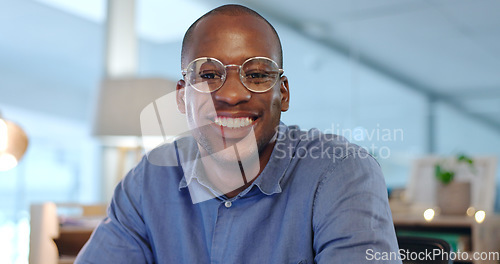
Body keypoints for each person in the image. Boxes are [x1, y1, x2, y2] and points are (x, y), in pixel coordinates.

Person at [76, 4, 401, 263]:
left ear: (283, 93)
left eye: (257, 74)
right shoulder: (148, 181)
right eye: (208, 74)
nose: (232, 95)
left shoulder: (340, 171)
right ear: (181, 96)